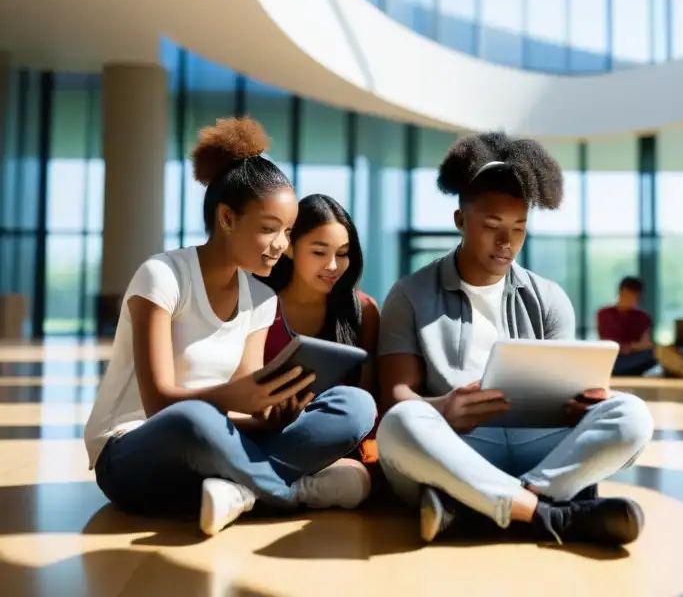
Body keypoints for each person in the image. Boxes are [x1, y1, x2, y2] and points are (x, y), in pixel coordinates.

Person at [84, 118, 377, 537]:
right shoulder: (163, 276)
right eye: (268, 229)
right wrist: (233, 397)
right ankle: (290, 491)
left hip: (218, 446)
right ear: (226, 218)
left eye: (288, 232)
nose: (281, 245)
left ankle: (238, 492)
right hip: (136, 451)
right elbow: (159, 406)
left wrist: (274, 414)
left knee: (354, 405)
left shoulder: (261, 299)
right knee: (193, 420)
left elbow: (243, 411)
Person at [375, 133, 654, 547]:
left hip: (537, 444)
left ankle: (473, 506)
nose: (506, 243)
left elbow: (571, 388)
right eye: (491, 227)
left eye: (518, 228)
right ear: (460, 221)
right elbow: (396, 394)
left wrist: (586, 403)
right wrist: (444, 408)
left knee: (633, 415)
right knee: (400, 425)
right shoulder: (410, 293)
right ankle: (552, 514)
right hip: (457, 445)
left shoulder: (549, 297)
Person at [257, 193, 381, 466]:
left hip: (334, 439)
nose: (333, 266)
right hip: (263, 429)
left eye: (343, 253)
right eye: (319, 252)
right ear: (289, 247)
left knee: (357, 404)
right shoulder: (257, 305)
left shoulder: (363, 311)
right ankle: (271, 476)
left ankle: (257, 477)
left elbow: (367, 391)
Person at [597, 277, 658, 377]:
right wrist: (631, 347)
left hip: (633, 356)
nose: (629, 300)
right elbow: (607, 341)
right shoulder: (604, 313)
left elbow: (645, 344)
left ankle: (620, 371)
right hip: (612, 355)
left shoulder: (642, 316)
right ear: (620, 293)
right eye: (626, 295)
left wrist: (630, 347)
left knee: (653, 354)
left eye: (633, 296)